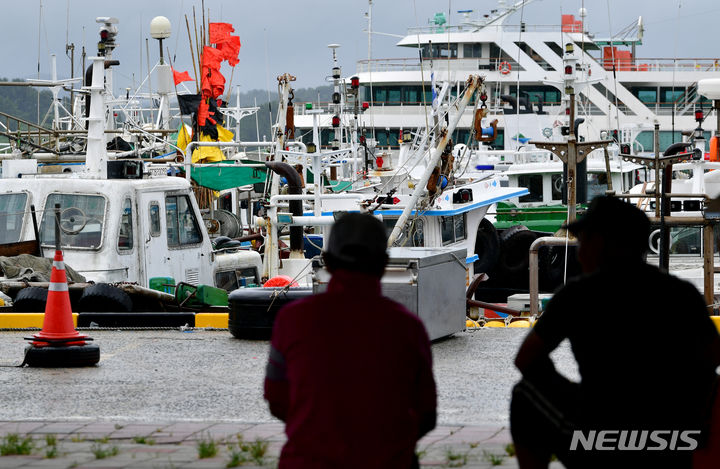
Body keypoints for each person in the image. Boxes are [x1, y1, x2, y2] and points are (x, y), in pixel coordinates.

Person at [511, 195, 720, 469]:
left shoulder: (577, 296)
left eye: (583, 240)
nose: (579, 250)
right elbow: (712, 359)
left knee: (525, 395)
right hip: (673, 441)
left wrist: (577, 393)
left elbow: (525, 360)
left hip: (597, 438)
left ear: (601, 243)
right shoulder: (681, 294)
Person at [264, 213, 437, 469]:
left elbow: (277, 399)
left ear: (328, 263)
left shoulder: (292, 320)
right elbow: (426, 413)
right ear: (383, 264)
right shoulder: (408, 327)